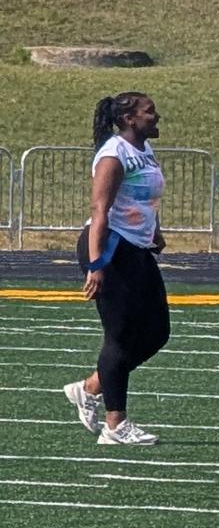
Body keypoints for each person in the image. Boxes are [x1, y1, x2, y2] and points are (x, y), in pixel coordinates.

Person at [63, 92, 169, 447]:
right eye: (149, 112)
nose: (156, 117)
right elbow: (100, 210)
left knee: (157, 331)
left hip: (137, 247)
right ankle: (115, 425)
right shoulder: (113, 153)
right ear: (129, 119)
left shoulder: (143, 149)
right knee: (119, 335)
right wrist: (96, 265)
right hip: (110, 247)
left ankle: (91, 386)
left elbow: (141, 198)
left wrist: (155, 230)